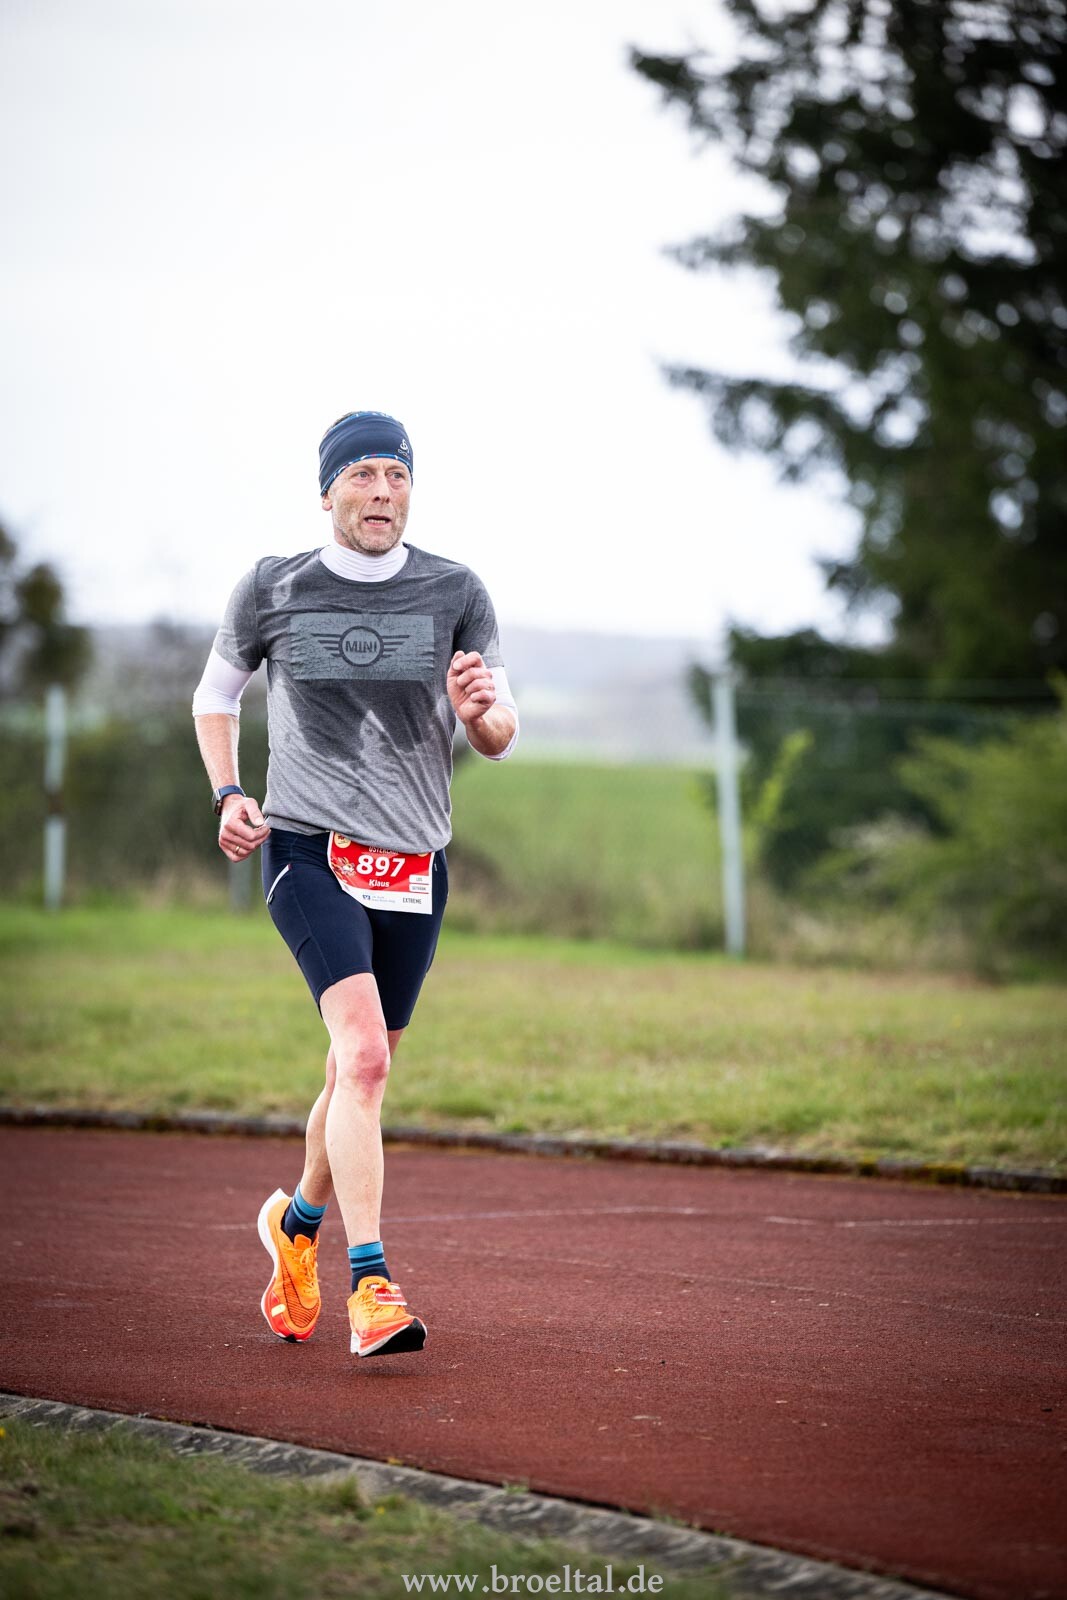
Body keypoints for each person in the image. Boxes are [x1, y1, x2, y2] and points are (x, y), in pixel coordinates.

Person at [192, 410, 518, 1358]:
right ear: (327, 489)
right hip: (307, 851)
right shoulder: (273, 585)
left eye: (397, 475)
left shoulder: (456, 590)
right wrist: (228, 793)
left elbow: (500, 734)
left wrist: (479, 714)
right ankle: (370, 1286)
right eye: (364, 474)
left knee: (353, 1072)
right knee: (366, 1059)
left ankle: (296, 1225)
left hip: (415, 865)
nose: (383, 492)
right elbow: (216, 696)